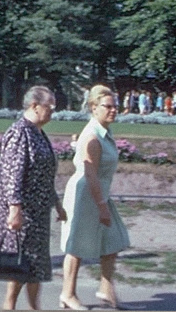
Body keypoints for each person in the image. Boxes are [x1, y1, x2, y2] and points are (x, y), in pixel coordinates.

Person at [0, 86, 67, 310]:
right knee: (20, 261)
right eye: (50, 106)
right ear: (34, 106)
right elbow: (12, 174)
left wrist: (58, 205)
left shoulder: (38, 133)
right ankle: (9, 306)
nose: (53, 111)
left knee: (38, 265)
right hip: (21, 211)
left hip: (38, 210)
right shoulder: (19, 132)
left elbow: (44, 175)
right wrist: (15, 210)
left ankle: (34, 307)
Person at [59, 85, 131, 310]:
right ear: (93, 108)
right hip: (85, 195)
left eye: (115, 106)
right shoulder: (92, 136)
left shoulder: (104, 133)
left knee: (113, 241)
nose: (113, 110)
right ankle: (67, 294)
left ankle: (106, 290)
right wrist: (101, 206)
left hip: (100, 193)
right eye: (107, 106)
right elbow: (90, 174)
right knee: (77, 246)